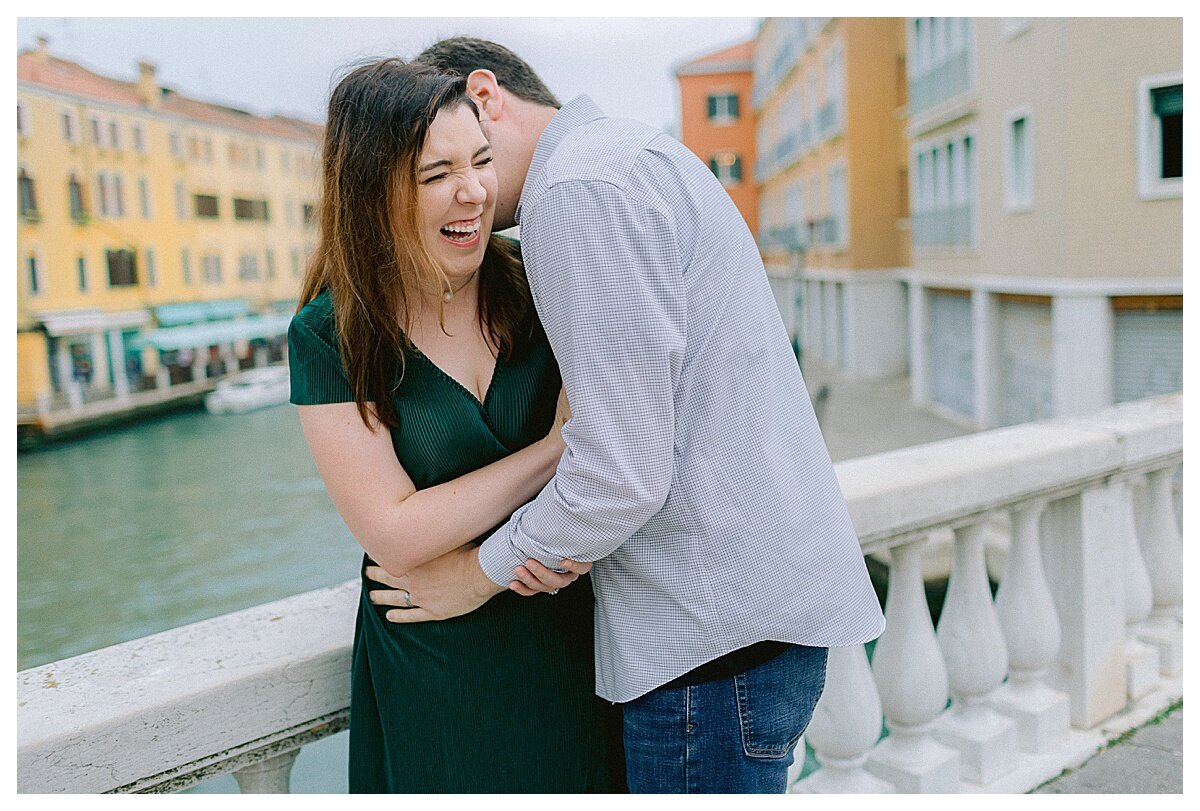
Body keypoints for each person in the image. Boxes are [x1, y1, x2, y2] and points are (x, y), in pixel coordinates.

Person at [369, 38, 887, 794]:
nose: (464, 191)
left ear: (482, 97)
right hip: (752, 630)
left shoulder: (575, 190)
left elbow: (620, 474)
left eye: (456, 156)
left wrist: (475, 575)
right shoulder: (634, 155)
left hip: (705, 649)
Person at [287, 58, 623, 793]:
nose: (473, 191)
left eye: (481, 160)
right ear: (373, 191)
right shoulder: (331, 334)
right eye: (437, 173)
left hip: (569, 640)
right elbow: (395, 533)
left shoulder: (536, 280)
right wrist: (549, 452)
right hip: (436, 667)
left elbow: (623, 443)